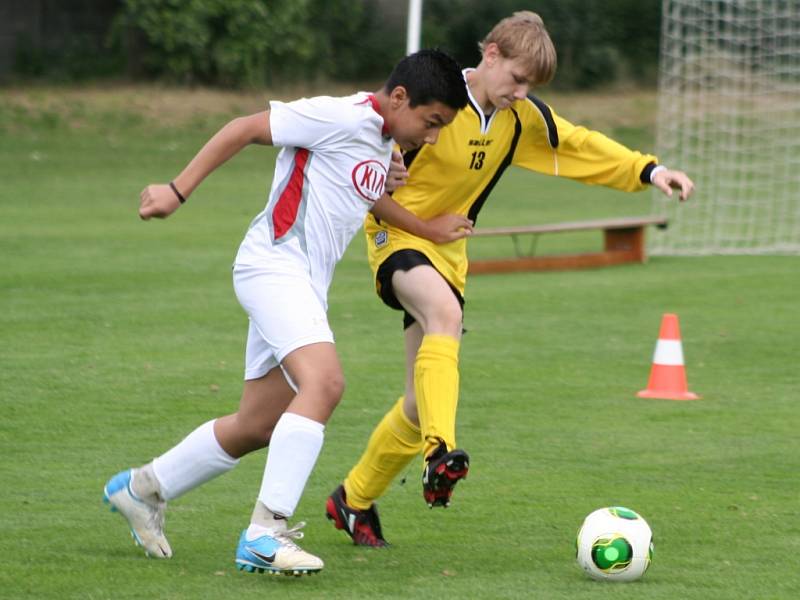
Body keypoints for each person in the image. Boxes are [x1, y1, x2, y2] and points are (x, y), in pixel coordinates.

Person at [325, 11, 695, 547]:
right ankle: (440, 455)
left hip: (449, 252)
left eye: (530, 87)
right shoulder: (440, 99)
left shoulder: (519, 120)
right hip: (397, 235)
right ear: (491, 54)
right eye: (517, 80)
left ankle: (354, 499)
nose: (521, 93)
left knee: (416, 401)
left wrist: (651, 171)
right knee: (444, 317)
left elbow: (579, 145)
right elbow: (376, 132)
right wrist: (383, 165)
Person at [102, 49, 469, 576]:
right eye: (431, 123)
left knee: (259, 423)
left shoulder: (383, 138)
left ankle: (142, 489)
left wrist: (427, 228)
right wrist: (176, 191)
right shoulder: (338, 115)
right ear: (400, 98)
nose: (431, 137)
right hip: (274, 264)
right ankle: (265, 533)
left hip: (300, 283)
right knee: (325, 384)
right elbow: (244, 128)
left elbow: (361, 192)